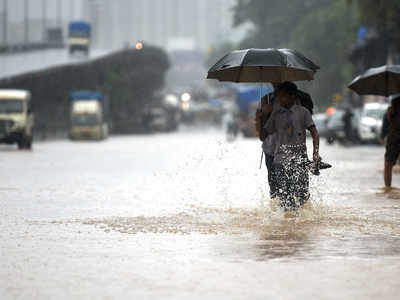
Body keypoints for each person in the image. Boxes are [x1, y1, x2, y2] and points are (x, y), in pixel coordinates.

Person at [257, 81, 320, 210]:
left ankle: (297, 226)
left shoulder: (303, 112)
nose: (279, 99)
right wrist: (262, 117)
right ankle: (288, 223)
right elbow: (263, 136)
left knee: (302, 197)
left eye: (283, 96)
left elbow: (315, 133)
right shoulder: (275, 114)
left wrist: (315, 153)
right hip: (280, 161)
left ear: (292, 97)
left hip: (299, 160)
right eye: (279, 96)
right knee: (285, 198)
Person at [383, 95, 400, 188]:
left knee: (388, 163)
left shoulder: (395, 100)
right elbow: (389, 119)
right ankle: (388, 187)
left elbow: (389, 120)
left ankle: (387, 187)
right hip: (394, 136)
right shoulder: (395, 101)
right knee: (388, 162)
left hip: (394, 135)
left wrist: (389, 114)